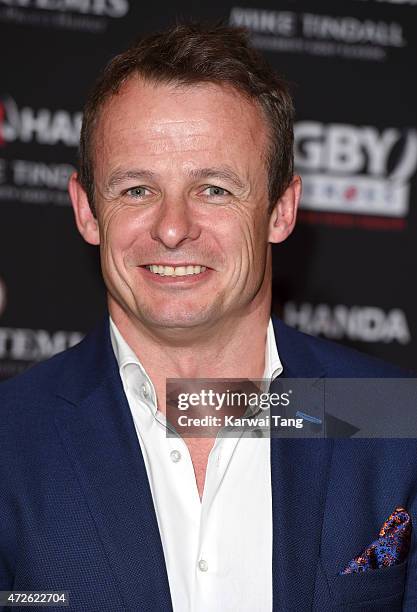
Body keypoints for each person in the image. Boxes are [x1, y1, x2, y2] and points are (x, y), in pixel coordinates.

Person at [0, 23, 416, 612]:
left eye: (215, 190)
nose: (173, 228)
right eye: (138, 190)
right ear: (87, 212)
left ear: (280, 210)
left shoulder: (393, 421)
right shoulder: (9, 439)